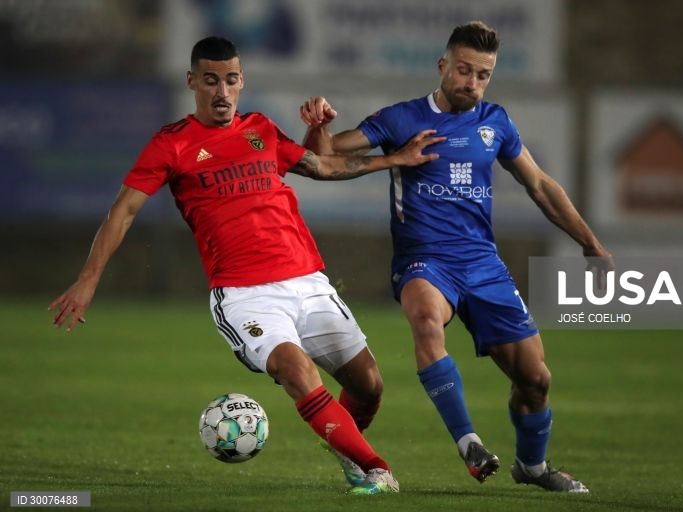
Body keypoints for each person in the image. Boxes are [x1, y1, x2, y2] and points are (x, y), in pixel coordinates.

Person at [49, 36, 443, 496]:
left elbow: (323, 166)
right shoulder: (172, 144)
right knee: (297, 372)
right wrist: (87, 279)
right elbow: (124, 211)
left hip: (307, 280)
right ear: (192, 81)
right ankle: (377, 470)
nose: (221, 92)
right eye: (211, 81)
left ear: (241, 83)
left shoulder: (261, 130)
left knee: (369, 385)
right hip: (245, 295)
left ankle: (347, 450)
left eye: (231, 81)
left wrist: (395, 158)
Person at [300, 21, 614, 493]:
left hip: (483, 265)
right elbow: (324, 161)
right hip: (423, 261)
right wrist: (318, 127)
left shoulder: (495, 123)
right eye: (464, 70)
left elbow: (540, 185)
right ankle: (468, 441)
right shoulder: (401, 119)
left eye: (483, 74)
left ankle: (531, 466)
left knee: (535, 378)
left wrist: (589, 242)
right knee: (426, 319)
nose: (472, 82)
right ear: (442, 66)